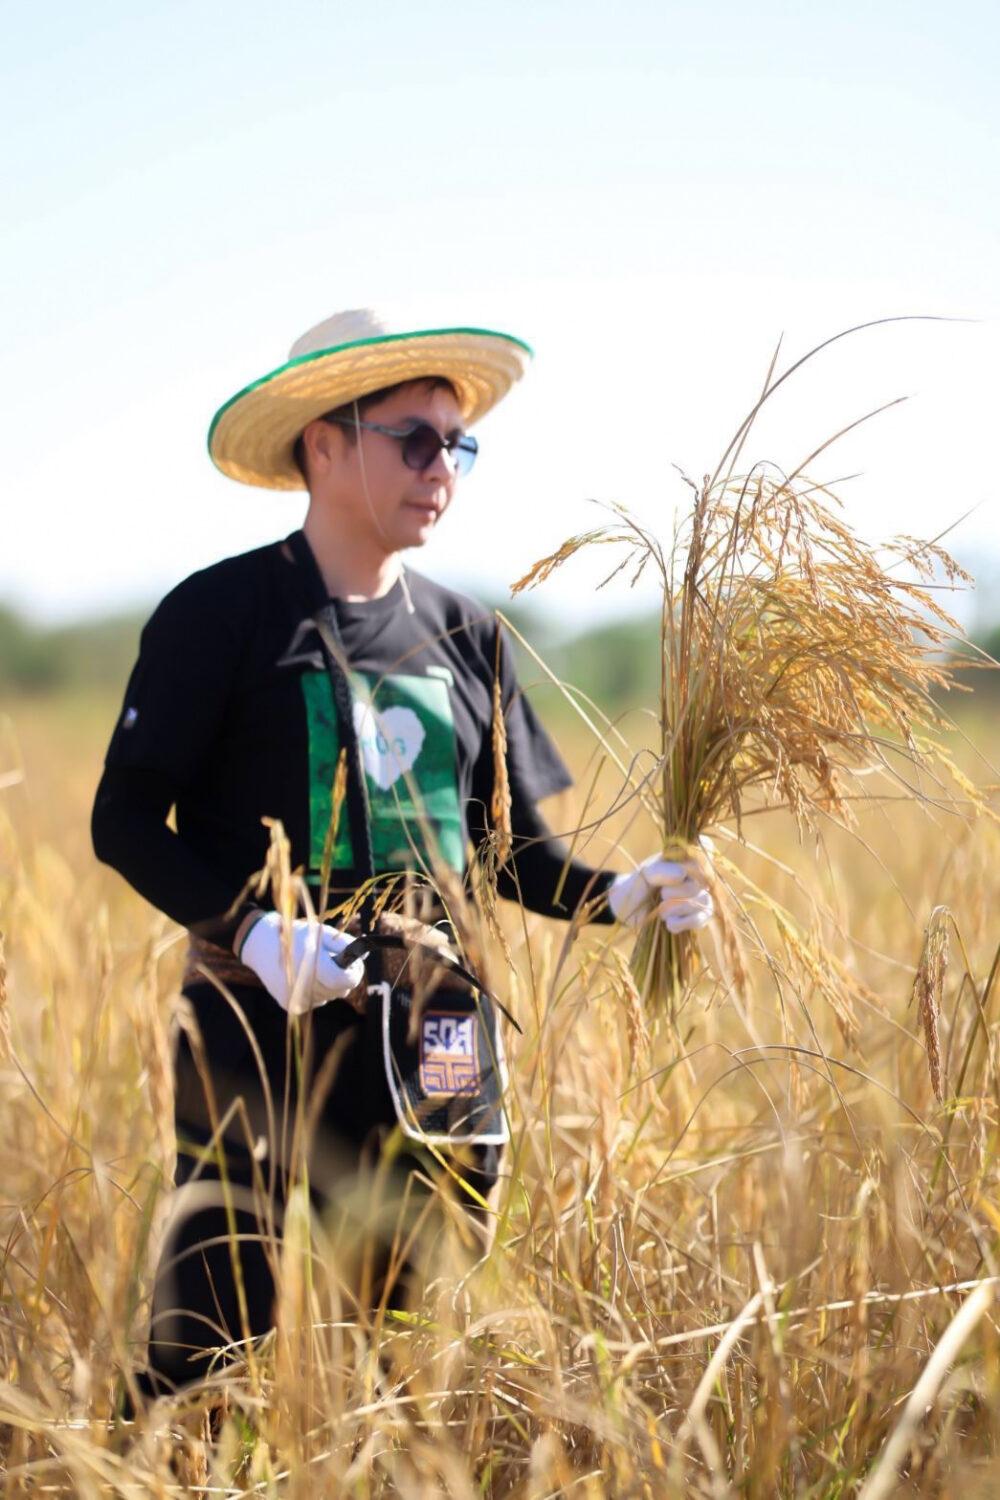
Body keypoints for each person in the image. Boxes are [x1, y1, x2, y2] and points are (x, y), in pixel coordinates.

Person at [91, 308, 713, 1405]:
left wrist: (622, 894)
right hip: (255, 1031)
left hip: (435, 1031)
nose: (443, 468)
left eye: (458, 444)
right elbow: (125, 819)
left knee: (412, 1354)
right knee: (209, 1350)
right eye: (415, 439)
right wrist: (256, 933)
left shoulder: (471, 636)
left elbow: (511, 858)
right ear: (324, 444)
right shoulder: (220, 615)